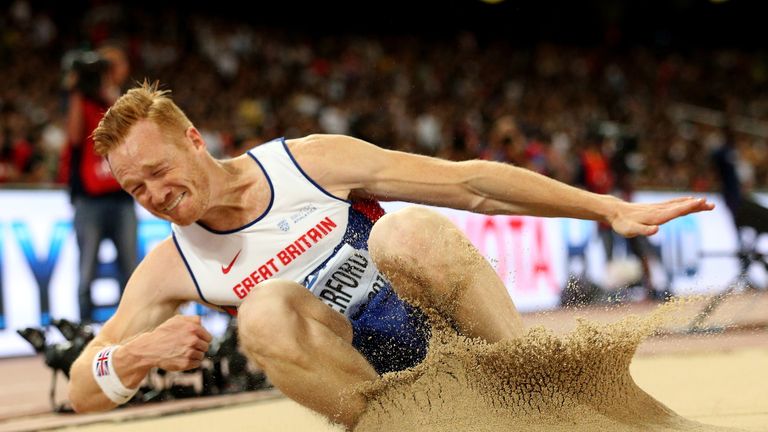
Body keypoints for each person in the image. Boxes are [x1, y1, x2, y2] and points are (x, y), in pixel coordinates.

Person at [67, 81, 714, 429]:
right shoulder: (173, 266)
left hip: (458, 337)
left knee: (406, 234)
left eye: (157, 171)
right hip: (383, 401)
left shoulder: (308, 163)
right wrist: (137, 354)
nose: (154, 196)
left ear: (193, 139)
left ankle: (536, 394)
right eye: (134, 189)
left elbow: (470, 183)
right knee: (261, 314)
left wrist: (607, 209)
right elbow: (77, 387)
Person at [61, 47, 137, 323]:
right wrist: (78, 90)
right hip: (89, 201)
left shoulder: (122, 98)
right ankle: (84, 334)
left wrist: (110, 94)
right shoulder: (81, 100)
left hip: (121, 198)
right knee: (86, 274)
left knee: (132, 272)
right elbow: (73, 136)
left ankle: (133, 329)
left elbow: (131, 131)